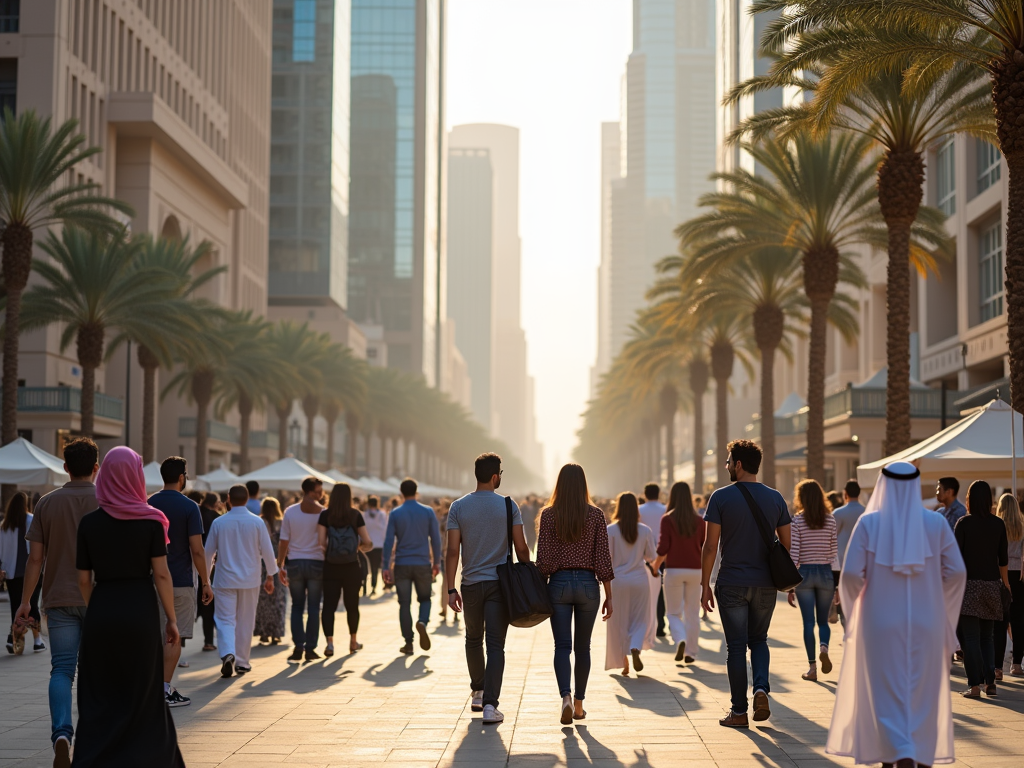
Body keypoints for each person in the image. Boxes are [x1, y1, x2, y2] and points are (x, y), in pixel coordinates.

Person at [826, 461, 967, 767]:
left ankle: (892, 756)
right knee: (923, 694)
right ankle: (917, 752)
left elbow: (850, 576)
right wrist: (939, 605)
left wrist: (855, 611)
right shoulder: (936, 524)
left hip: (880, 623)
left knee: (884, 694)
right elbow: (957, 573)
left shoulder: (869, 524)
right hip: (927, 623)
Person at [73, 446, 185, 768]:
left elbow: (83, 579)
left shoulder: (90, 524)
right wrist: (172, 620)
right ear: (136, 476)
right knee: (143, 689)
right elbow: (161, 573)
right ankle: (147, 756)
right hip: (140, 609)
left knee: (101, 689)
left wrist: (98, 608)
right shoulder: (150, 522)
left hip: (103, 608)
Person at [17, 437, 98, 767]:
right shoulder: (107, 501)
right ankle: (92, 737)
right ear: (96, 467)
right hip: (98, 598)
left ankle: (62, 734)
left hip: (58, 598)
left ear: (65, 467)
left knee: (62, 670)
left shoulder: (47, 504)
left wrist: (26, 602)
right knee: (94, 672)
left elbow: (35, 560)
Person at [700, 439, 791, 728]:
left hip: (731, 584)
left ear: (738, 465)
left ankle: (739, 712)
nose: (726, 465)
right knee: (759, 640)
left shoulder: (720, 497)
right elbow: (786, 545)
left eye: (728, 461)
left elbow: (710, 546)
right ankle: (761, 688)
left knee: (736, 648)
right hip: (765, 584)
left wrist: (704, 585)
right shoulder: (776, 498)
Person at [446, 453, 530, 725]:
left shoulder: (458, 507)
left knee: (473, 639)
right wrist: (527, 571)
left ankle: (478, 692)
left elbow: (451, 551)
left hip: (470, 584)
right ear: (496, 476)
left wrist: (450, 589)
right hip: (499, 585)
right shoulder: (508, 505)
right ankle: (491, 707)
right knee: (496, 645)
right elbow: (521, 547)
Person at [536, 463, 614, 725]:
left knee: (562, 647)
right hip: (588, 586)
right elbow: (603, 557)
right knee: (583, 648)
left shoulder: (548, 515)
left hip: (557, 583)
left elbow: (543, 560)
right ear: (583, 484)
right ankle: (579, 704)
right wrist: (609, 595)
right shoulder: (595, 515)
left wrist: (541, 585)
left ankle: (566, 697)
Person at [147, 456, 213, 707]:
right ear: (182, 477)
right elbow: (197, 550)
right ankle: (163, 688)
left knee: (156, 636)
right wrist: (206, 582)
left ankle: (153, 686)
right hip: (180, 581)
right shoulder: (189, 507)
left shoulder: (148, 503)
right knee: (174, 637)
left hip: (151, 580)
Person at [205, 484, 278, 677]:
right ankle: (243, 662)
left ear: (228, 498)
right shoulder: (257, 522)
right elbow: (268, 551)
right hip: (250, 579)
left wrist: (204, 579)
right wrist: (271, 575)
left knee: (225, 620)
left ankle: (228, 652)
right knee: (246, 620)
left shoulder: (219, 523)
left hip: (224, 579)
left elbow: (208, 554)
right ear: (247, 499)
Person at [955, 480, 1010, 698]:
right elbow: (1003, 559)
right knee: (988, 637)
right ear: (989, 500)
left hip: (969, 585)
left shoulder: (963, 523)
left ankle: (974, 685)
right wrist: (1005, 584)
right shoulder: (998, 524)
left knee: (970, 637)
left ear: (969, 499)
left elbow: (955, 558)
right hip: (991, 585)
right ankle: (990, 683)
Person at [786, 479, 838, 681]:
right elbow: (834, 552)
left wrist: (790, 586)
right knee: (823, 621)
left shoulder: (797, 521)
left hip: (804, 574)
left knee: (808, 622)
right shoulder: (831, 520)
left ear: (801, 498)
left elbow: (795, 554)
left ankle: (812, 669)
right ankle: (824, 648)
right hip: (825, 573)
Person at [382, 478, 442, 654]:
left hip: (401, 563)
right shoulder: (428, 512)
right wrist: (437, 562)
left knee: (404, 604)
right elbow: (436, 539)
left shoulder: (395, 513)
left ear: (401, 493)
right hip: (423, 563)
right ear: (417, 492)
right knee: (425, 598)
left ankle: (408, 642)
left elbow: (388, 541)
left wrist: (386, 566)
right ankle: (422, 621)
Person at [651, 481, 706, 664]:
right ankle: (691, 652)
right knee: (692, 613)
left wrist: (655, 565)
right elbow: (705, 547)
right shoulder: (699, 520)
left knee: (673, 613)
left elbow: (663, 548)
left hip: (674, 570)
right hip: (696, 570)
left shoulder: (667, 519)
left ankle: (680, 639)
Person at [604, 492, 655, 677]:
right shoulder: (645, 530)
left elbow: (606, 558)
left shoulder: (610, 530)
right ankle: (635, 647)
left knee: (618, 622)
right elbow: (651, 556)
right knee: (641, 619)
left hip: (618, 581)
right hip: (640, 580)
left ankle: (624, 663)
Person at [318, 483, 372, 656]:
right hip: (351, 567)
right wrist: (358, 548)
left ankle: (330, 644)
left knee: (328, 606)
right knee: (352, 606)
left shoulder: (325, 515)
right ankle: (353, 641)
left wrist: (332, 553)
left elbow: (321, 543)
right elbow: (368, 542)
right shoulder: (355, 515)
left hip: (331, 566)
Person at [278, 476, 326, 662]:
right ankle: (310, 648)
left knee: (297, 606)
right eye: (318, 491)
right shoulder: (323, 512)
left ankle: (298, 646)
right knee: (314, 607)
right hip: (316, 563)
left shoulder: (290, 512)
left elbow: (284, 540)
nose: (321, 494)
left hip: (295, 563)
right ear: (309, 491)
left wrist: (281, 563)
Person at [2, 491, 43, 654]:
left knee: (16, 607)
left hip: (12, 573)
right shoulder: (32, 519)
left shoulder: (5, 525)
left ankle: (15, 640)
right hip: (32, 572)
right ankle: (37, 640)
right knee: (33, 606)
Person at [994, 493, 1024, 678]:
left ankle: (997, 667)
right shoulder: (1022, 526)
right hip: (1019, 575)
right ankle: (1017, 664)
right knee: (1019, 620)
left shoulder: (997, 526)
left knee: (1000, 621)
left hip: (1000, 574)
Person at [831, 479, 865, 629]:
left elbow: (832, 536)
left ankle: (847, 628)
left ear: (845, 494)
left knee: (842, 597)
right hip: (862, 561)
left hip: (840, 561)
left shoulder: (838, 513)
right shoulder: (867, 512)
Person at [254, 496, 287, 644]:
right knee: (278, 598)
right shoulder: (282, 522)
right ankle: (276, 633)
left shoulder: (260, 521)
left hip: (262, 562)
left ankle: (264, 632)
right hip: (279, 561)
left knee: (263, 599)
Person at [638, 483, 666, 642]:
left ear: (645, 494)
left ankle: (647, 625)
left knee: (646, 592)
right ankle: (661, 624)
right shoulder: (665, 508)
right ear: (659, 493)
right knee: (661, 591)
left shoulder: (639, 510)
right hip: (663, 554)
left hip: (643, 555)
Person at [197, 492, 221, 650]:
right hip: (212, 565)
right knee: (209, 603)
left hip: (192, 562)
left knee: (195, 601)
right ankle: (208, 641)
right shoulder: (216, 517)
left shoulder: (195, 512)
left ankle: (181, 641)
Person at [362, 495, 388, 595]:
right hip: (379, 545)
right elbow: (385, 530)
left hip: (366, 544)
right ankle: (373, 587)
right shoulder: (382, 515)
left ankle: (364, 587)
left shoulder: (364, 515)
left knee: (366, 567)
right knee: (375, 567)